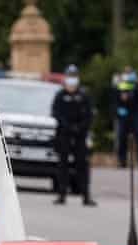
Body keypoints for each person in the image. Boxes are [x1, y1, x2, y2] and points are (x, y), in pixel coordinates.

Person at [51, 64, 95, 206]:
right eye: (70, 77)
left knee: (82, 166)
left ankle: (86, 196)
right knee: (62, 165)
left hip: (80, 135)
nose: (72, 80)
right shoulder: (60, 95)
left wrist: (80, 127)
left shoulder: (83, 95)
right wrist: (67, 127)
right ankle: (61, 194)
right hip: (64, 134)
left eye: (74, 77)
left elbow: (89, 115)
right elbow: (56, 113)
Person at [115, 66, 138, 168]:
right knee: (121, 138)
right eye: (126, 73)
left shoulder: (137, 84)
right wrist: (118, 109)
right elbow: (115, 99)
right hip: (123, 115)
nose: (128, 75)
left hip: (137, 114)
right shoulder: (120, 84)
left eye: (130, 72)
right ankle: (122, 161)